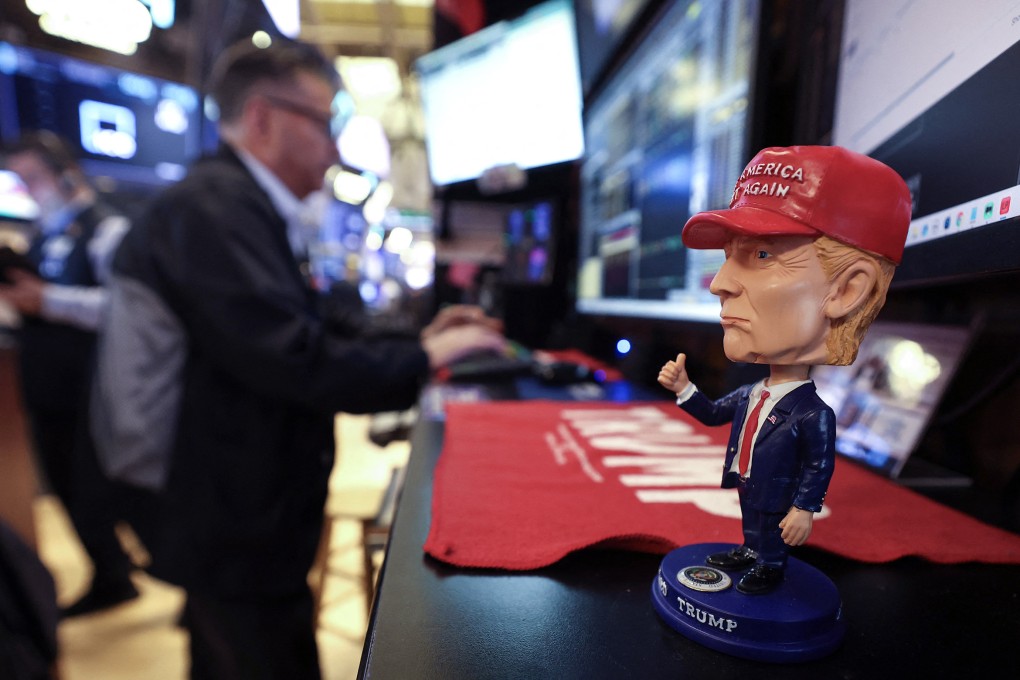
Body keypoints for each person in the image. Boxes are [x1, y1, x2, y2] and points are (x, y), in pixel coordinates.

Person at [101, 39, 506, 679]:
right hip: (223, 517)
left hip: (235, 509)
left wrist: (421, 341)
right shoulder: (213, 209)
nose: (336, 147)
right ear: (263, 118)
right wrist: (426, 358)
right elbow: (295, 359)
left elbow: (311, 320)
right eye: (324, 123)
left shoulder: (241, 205)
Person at [657, 145, 910, 595]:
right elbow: (716, 414)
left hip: (777, 493)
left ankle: (770, 562)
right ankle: (752, 551)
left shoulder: (813, 414)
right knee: (752, 523)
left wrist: (805, 508)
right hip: (750, 485)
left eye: (761, 256)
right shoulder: (753, 393)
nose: (718, 283)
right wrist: (685, 390)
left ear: (847, 289)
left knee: (770, 527)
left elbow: (818, 464)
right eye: (729, 255)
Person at [0, 130, 140, 616]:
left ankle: (119, 575)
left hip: (93, 384)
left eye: (32, 177)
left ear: (65, 173)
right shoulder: (41, 234)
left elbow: (125, 307)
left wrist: (49, 300)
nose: (28, 189)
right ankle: (111, 567)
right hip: (46, 382)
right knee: (64, 483)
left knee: (95, 486)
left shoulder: (106, 228)